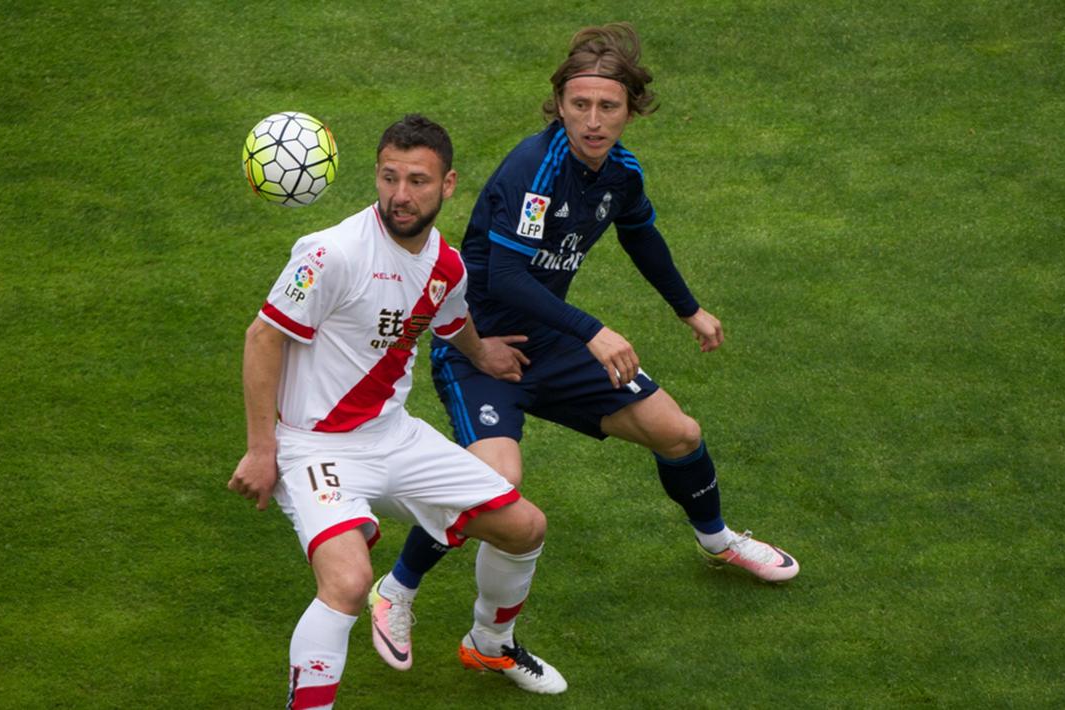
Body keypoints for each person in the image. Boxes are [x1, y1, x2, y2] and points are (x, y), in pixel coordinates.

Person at [367, 23, 800, 670]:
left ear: (631, 109)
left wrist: (690, 310)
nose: (592, 122)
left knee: (677, 432)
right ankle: (394, 590)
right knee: (494, 485)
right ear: (558, 104)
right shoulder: (532, 172)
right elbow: (507, 278)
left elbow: (640, 237)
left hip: (552, 341)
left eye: (607, 107)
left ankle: (717, 542)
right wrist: (593, 331)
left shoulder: (619, 172)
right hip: (481, 347)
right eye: (579, 105)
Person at [227, 114, 567, 708]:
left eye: (417, 181)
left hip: (394, 438)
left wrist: (480, 350)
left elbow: (448, 316)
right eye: (389, 178)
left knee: (524, 527)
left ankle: (490, 641)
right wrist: (263, 450)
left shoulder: (446, 265)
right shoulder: (330, 253)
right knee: (350, 582)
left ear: (448, 184)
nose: (400, 195)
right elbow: (263, 338)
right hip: (315, 447)